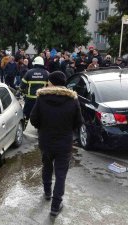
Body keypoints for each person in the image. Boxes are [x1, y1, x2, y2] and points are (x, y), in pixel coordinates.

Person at [30, 71, 83, 217]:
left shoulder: (41, 98)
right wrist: (67, 129)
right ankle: (55, 205)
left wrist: (43, 127)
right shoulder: (73, 99)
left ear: (52, 83)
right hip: (64, 143)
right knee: (61, 174)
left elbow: (33, 119)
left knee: (47, 166)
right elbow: (79, 122)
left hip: (46, 140)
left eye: (48, 81)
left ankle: (47, 192)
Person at [20, 56, 49, 128]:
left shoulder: (29, 72)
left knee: (26, 114)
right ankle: (40, 129)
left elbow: (22, 86)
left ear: (34, 63)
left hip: (30, 99)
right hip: (42, 99)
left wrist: (21, 91)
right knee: (41, 114)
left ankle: (23, 127)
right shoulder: (47, 73)